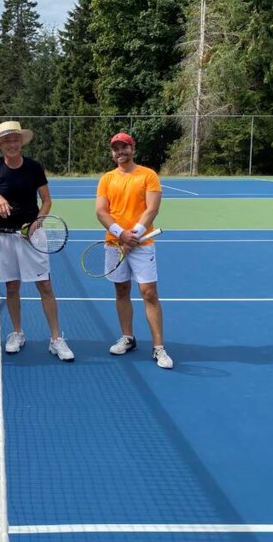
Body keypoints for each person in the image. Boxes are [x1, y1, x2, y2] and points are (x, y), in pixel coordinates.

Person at [0, 121, 74, 361]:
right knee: (12, 287)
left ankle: (56, 338)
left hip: (32, 236)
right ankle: (17, 332)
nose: (12, 144)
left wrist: (38, 222)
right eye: (7, 140)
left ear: (21, 142)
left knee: (45, 286)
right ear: (0, 144)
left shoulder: (34, 167)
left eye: (16, 140)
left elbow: (46, 201)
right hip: (4, 237)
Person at [95, 132, 174, 369]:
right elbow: (101, 211)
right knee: (121, 290)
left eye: (124, 148)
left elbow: (152, 209)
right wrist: (122, 234)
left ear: (132, 149)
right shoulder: (106, 179)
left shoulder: (148, 175)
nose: (120, 152)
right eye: (116, 149)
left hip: (141, 245)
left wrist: (135, 234)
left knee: (148, 293)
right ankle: (127, 337)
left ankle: (158, 347)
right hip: (115, 243)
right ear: (113, 152)